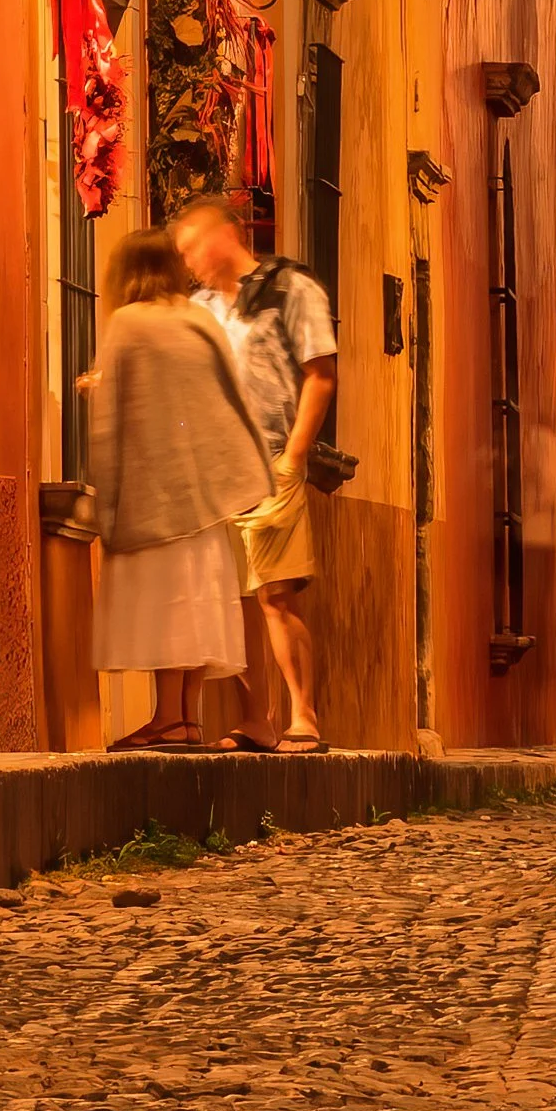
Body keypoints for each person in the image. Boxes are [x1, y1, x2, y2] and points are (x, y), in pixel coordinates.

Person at [85, 230, 272, 749]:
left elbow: (114, 419)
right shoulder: (200, 320)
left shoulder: (128, 323)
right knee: (194, 602)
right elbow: (225, 399)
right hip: (202, 498)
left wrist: (106, 498)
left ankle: (167, 717)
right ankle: (186, 718)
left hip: (152, 494)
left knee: (163, 602)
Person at [173, 196, 338, 755]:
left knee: (276, 593)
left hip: (272, 458)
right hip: (216, 468)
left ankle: (303, 715)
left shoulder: (291, 288)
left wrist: (294, 456)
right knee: (234, 598)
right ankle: (255, 719)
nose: (190, 258)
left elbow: (320, 373)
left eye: (194, 244)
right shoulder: (197, 309)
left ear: (228, 234)